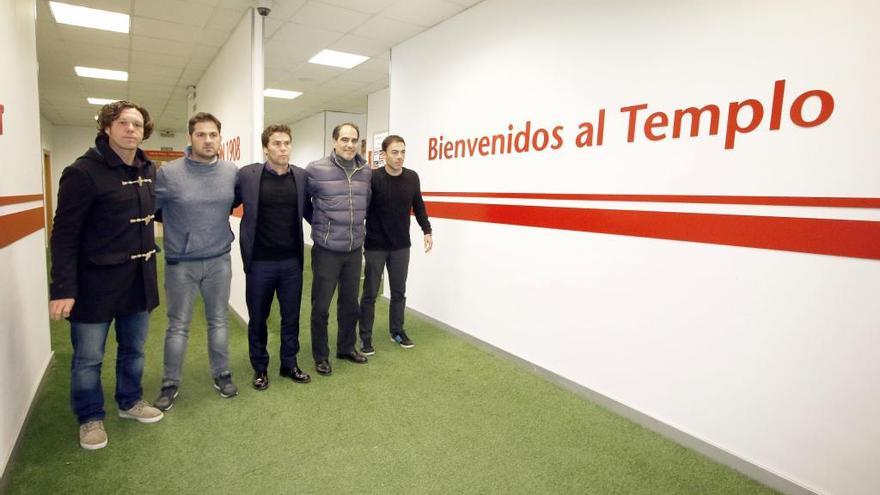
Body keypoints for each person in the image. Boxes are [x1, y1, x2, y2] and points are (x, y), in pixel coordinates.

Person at [49, 101, 164, 450]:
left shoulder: (149, 168)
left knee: (134, 349)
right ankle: (89, 417)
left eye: (138, 124)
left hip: (137, 279)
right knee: (88, 358)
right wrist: (63, 288)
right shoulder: (83, 172)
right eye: (124, 123)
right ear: (107, 127)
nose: (132, 129)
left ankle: (130, 401)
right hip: (95, 282)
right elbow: (64, 234)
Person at [153, 112, 238, 411]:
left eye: (213, 134)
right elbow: (154, 210)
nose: (208, 140)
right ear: (190, 138)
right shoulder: (168, 174)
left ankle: (222, 373)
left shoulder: (230, 171)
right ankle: (169, 382)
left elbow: (234, 202)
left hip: (219, 260)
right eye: (201, 134)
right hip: (181, 263)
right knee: (178, 325)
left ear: (220, 138)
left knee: (219, 321)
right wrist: (182, 232)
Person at [235, 124, 311, 390]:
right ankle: (260, 368)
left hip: (291, 262)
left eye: (287, 143)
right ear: (266, 148)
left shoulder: (301, 177)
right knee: (258, 318)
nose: (283, 148)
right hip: (259, 263)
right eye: (277, 143)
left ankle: (289, 364)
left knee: (291, 317)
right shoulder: (247, 175)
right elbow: (226, 203)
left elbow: (311, 212)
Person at [305, 122, 372, 376]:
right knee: (321, 306)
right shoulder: (316, 169)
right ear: (334, 141)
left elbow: (368, 203)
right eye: (344, 139)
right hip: (327, 249)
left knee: (349, 304)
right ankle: (321, 355)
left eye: (354, 140)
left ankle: (346, 347)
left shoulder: (366, 171)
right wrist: (321, 224)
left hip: (354, 248)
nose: (349, 144)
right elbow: (303, 202)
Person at [358, 135, 432, 354]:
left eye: (402, 152)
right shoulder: (373, 178)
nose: (399, 157)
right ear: (384, 155)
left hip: (401, 246)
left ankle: (397, 331)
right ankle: (365, 337)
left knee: (399, 292)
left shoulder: (412, 178)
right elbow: (362, 210)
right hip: (375, 246)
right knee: (370, 293)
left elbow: (418, 205)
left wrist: (426, 230)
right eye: (394, 152)